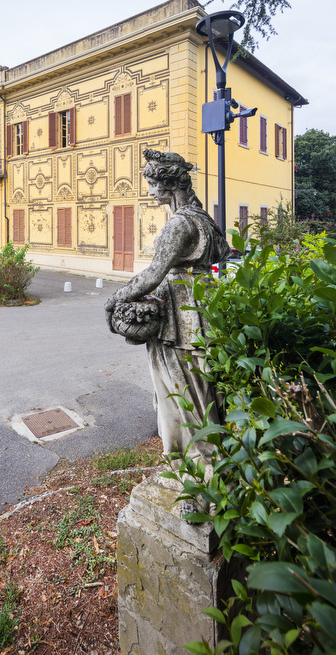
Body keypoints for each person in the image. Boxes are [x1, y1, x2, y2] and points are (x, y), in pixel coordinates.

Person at [105, 149, 230, 462]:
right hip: (203, 305)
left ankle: (201, 466)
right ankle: (208, 461)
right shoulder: (204, 220)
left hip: (180, 313)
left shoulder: (179, 225)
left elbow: (153, 274)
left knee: (184, 388)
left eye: (150, 183)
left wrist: (116, 299)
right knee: (202, 387)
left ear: (169, 184)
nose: (148, 191)